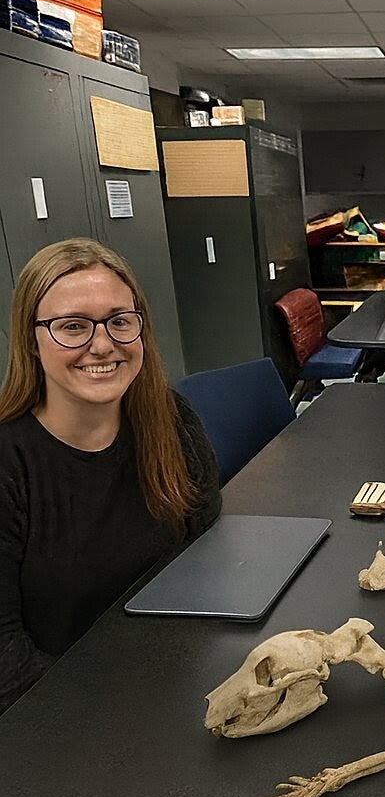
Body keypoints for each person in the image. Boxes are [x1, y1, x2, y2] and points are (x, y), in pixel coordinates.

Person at [0, 238, 221, 715]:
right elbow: (5, 659)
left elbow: (205, 545)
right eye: (72, 326)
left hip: (175, 673)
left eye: (120, 321)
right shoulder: (10, 463)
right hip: (68, 709)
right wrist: (111, 717)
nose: (102, 345)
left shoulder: (170, 419)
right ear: (31, 341)